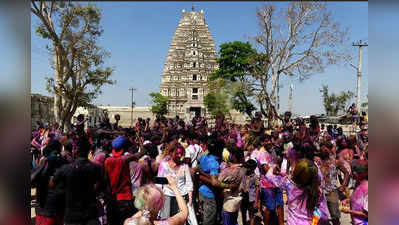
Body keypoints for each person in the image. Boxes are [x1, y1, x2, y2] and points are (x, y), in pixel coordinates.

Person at [51, 136, 103, 225]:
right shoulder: (97, 168)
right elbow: (98, 187)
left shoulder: (65, 169)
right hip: (90, 215)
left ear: (75, 151)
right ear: (89, 151)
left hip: (71, 216)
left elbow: (52, 184)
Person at [265, 159, 330, 225]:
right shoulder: (317, 191)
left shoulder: (289, 185)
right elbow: (322, 212)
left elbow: (268, 175)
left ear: (297, 173)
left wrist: (273, 167)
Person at [104, 136, 148, 225]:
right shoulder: (124, 159)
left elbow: (106, 180)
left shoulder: (107, 161)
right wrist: (139, 139)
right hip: (125, 200)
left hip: (112, 200)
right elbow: (143, 152)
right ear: (124, 149)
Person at [124, 175, 188, 225]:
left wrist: (146, 204)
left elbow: (145, 208)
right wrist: (174, 187)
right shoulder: (169, 223)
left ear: (138, 202)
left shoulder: (128, 222)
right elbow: (184, 213)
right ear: (160, 205)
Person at [157, 144, 193, 220]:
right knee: (166, 219)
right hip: (167, 197)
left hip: (182, 197)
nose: (179, 155)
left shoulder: (184, 166)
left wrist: (190, 200)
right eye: (177, 153)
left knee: (179, 220)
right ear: (171, 153)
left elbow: (189, 183)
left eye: (181, 153)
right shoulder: (163, 166)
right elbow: (159, 184)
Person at [341, 160, 368, 225]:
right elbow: (359, 200)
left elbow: (367, 214)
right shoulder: (358, 184)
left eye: (351, 171)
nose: (350, 174)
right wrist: (348, 200)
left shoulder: (367, 189)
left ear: (355, 173)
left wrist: (349, 211)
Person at [240, 159, 259, 225]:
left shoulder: (255, 177)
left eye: (248, 167)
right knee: (243, 213)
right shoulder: (244, 175)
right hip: (244, 197)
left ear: (252, 168)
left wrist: (256, 201)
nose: (246, 168)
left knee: (251, 215)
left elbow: (257, 189)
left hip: (251, 198)